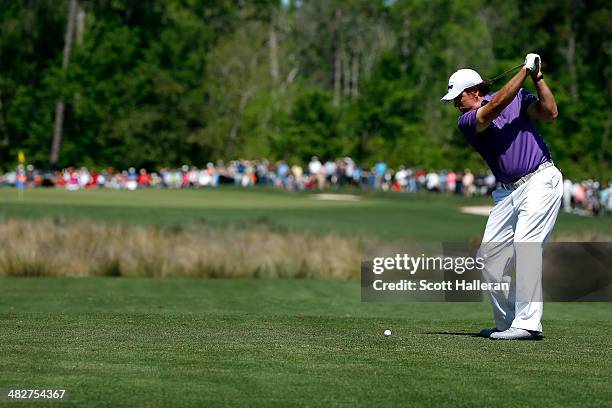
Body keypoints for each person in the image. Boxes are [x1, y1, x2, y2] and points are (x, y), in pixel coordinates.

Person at [441, 53, 563, 340]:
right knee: (490, 257)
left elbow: (550, 112)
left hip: (540, 179)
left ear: (473, 91)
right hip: (508, 192)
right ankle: (508, 322)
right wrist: (524, 70)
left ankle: (528, 323)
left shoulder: (518, 96)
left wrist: (538, 78)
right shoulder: (468, 121)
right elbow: (494, 108)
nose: (456, 104)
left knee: (527, 246)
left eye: (458, 97)